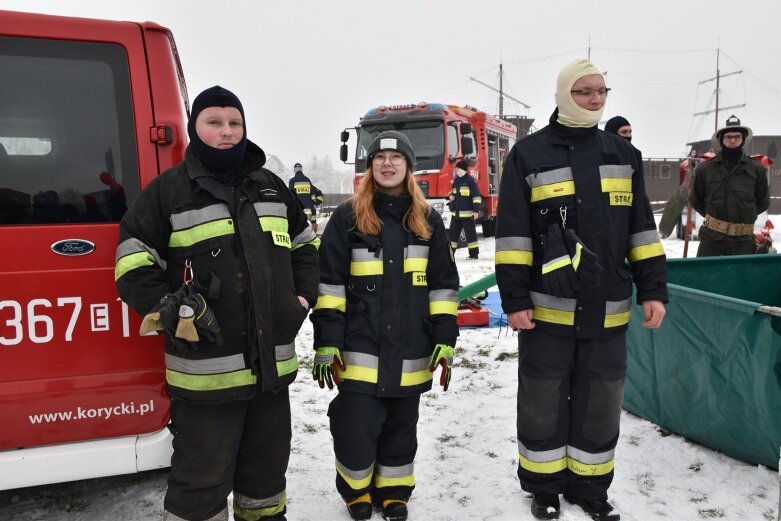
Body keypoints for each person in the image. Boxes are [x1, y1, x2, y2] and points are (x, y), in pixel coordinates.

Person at [115, 86, 320, 521]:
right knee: (200, 486)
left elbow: (306, 247)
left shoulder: (272, 188)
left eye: (234, 123)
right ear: (195, 129)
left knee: (265, 484)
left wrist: (299, 298)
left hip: (271, 373)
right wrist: (168, 305)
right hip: (205, 380)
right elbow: (132, 261)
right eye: (214, 122)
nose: (226, 132)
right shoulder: (168, 192)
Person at [495, 59, 668, 521]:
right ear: (562, 94)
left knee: (601, 400)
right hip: (546, 311)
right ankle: (544, 488)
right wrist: (514, 300)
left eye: (601, 91)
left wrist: (653, 290)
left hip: (608, 310)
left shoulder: (623, 154)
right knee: (542, 400)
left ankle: (591, 489)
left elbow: (642, 232)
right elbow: (513, 236)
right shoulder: (528, 155)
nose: (594, 99)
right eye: (584, 91)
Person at [310, 130, 459, 521]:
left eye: (396, 158)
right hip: (360, 348)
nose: (387, 164)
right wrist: (327, 340)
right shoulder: (346, 219)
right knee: (356, 424)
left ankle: (393, 490)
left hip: (411, 349)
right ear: (369, 167)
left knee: (400, 426)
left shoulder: (427, 221)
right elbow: (329, 287)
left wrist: (445, 338)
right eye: (379, 158)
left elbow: (443, 285)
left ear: (408, 167)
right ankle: (356, 490)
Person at [689, 115, 770, 256]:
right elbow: (696, 199)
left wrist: (745, 215)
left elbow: (763, 201)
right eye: (728, 137)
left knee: (742, 278)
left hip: (743, 242)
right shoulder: (705, 169)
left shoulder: (757, 169)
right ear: (721, 139)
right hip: (711, 240)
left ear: (743, 139)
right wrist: (715, 219)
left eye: (737, 136)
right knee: (707, 277)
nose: (733, 140)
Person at [448, 158, 482, 259]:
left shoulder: (470, 181)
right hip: (456, 215)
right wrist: (451, 196)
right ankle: (450, 255)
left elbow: (476, 197)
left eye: (457, 169)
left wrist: (476, 211)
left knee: (470, 235)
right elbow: (453, 192)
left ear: (463, 169)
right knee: (452, 236)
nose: (456, 171)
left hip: (468, 215)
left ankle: (474, 254)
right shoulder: (456, 181)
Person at [288, 161, 321, 232]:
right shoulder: (307, 180)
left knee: (299, 229)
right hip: (308, 210)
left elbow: (290, 195)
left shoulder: (292, 180)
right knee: (308, 228)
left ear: (294, 170)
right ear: (301, 169)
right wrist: (313, 205)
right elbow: (312, 195)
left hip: (299, 210)